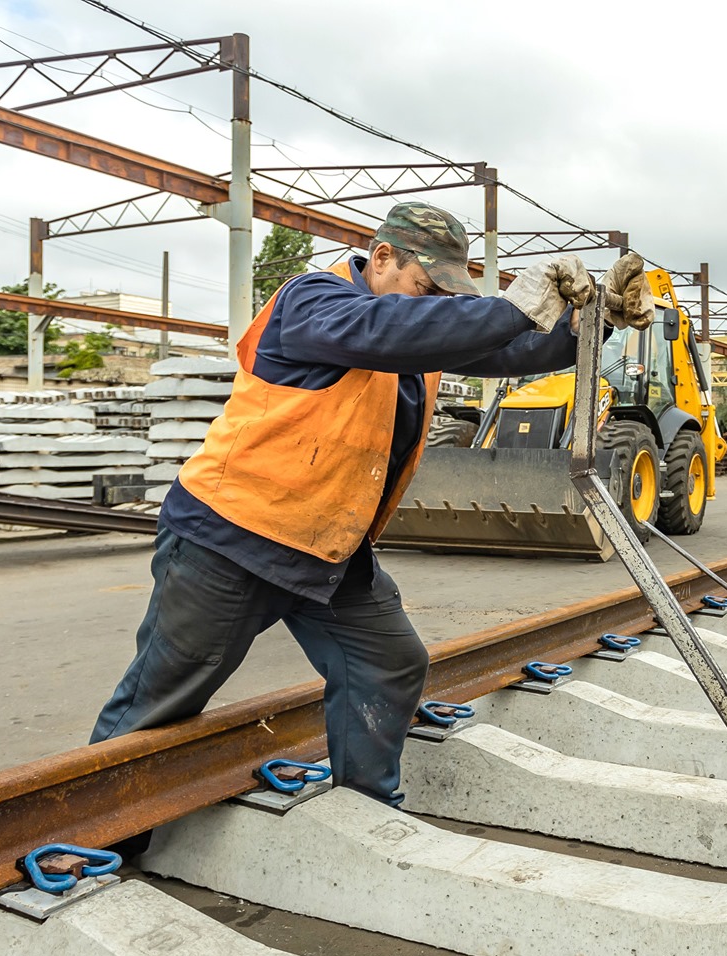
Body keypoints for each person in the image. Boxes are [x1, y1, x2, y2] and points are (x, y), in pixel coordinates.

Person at [92, 201, 651, 810]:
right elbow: (386, 329)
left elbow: (508, 349)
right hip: (232, 537)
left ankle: (365, 807)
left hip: (328, 545)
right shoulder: (313, 301)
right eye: (424, 287)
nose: (436, 304)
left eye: (445, 295)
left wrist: (589, 325)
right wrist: (515, 302)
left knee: (387, 664)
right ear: (382, 257)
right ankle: (86, 838)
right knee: (164, 694)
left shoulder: (422, 325)